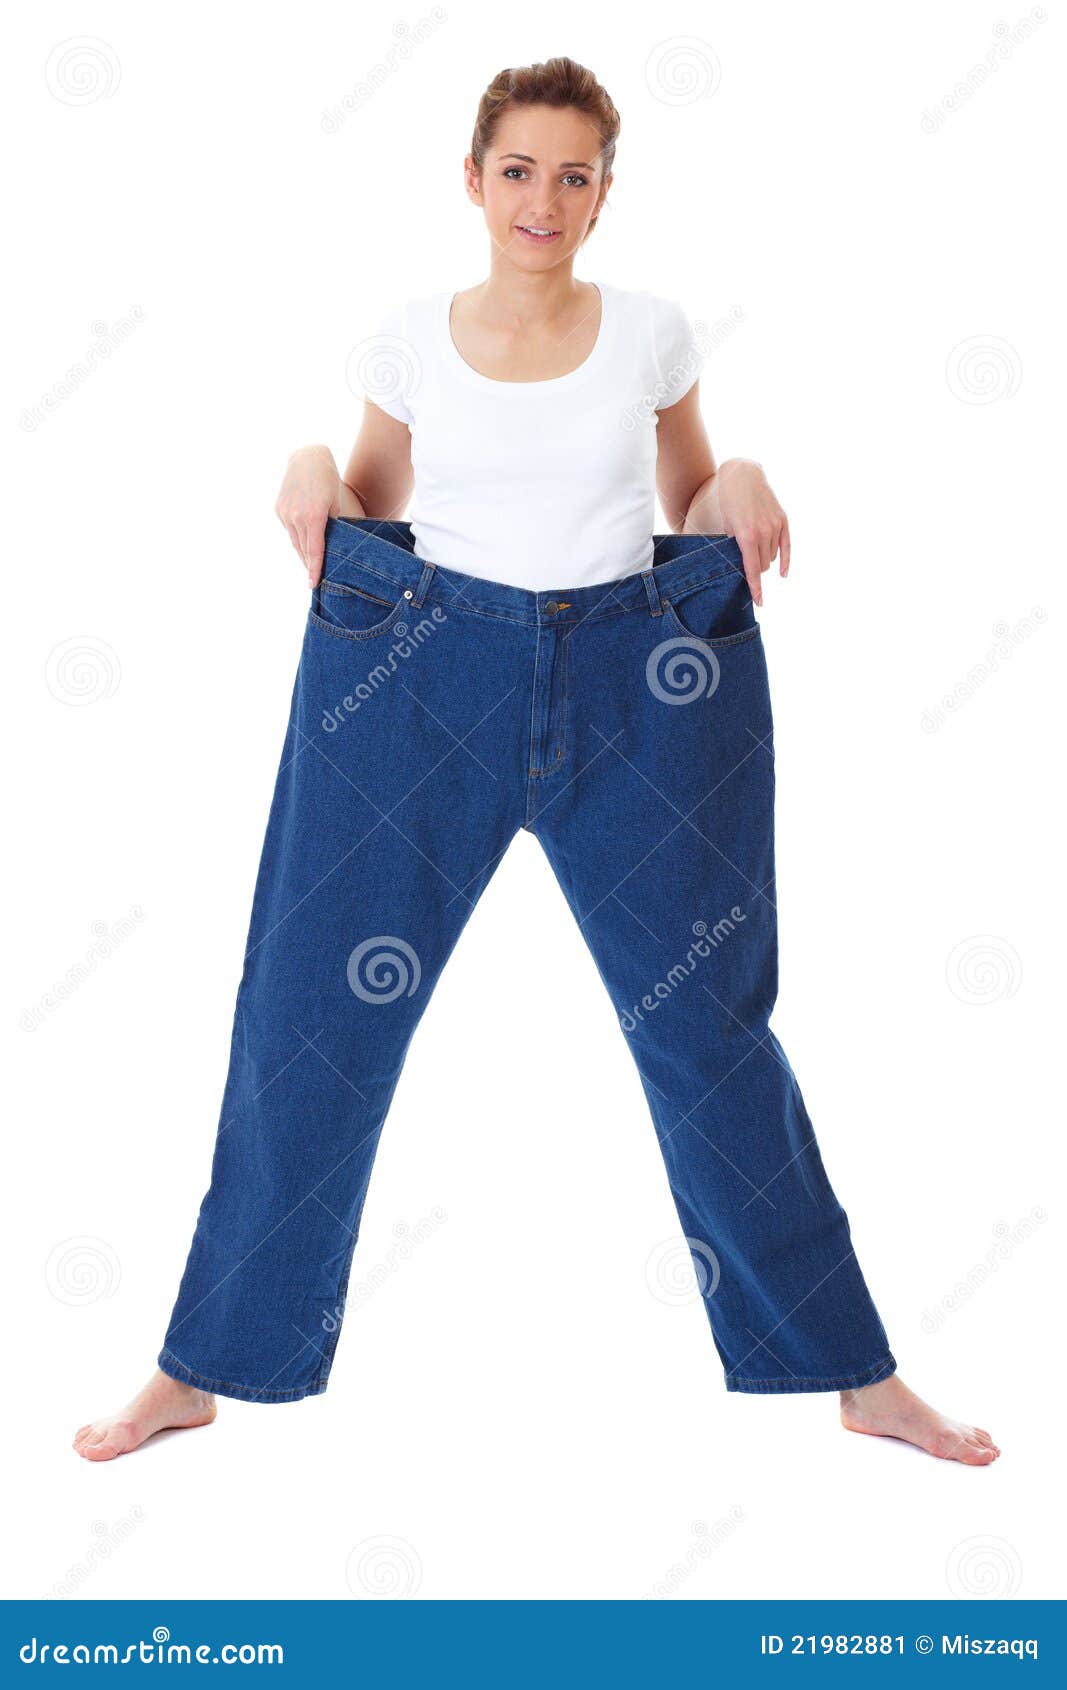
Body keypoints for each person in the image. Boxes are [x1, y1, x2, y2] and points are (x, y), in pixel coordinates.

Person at [74, 57, 999, 1466]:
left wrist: (735, 479)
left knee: (708, 1028)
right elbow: (374, 500)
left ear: (606, 193)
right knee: (307, 1011)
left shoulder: (651, 333)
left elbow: (688, 493)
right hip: (418, 676)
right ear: (473, 178)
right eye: (519, 170)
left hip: (640, 683)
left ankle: (854, 1370)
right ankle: (203, 1363)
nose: (543, 199)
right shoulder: (408, 336)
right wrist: (312, 459)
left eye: (574, 175)